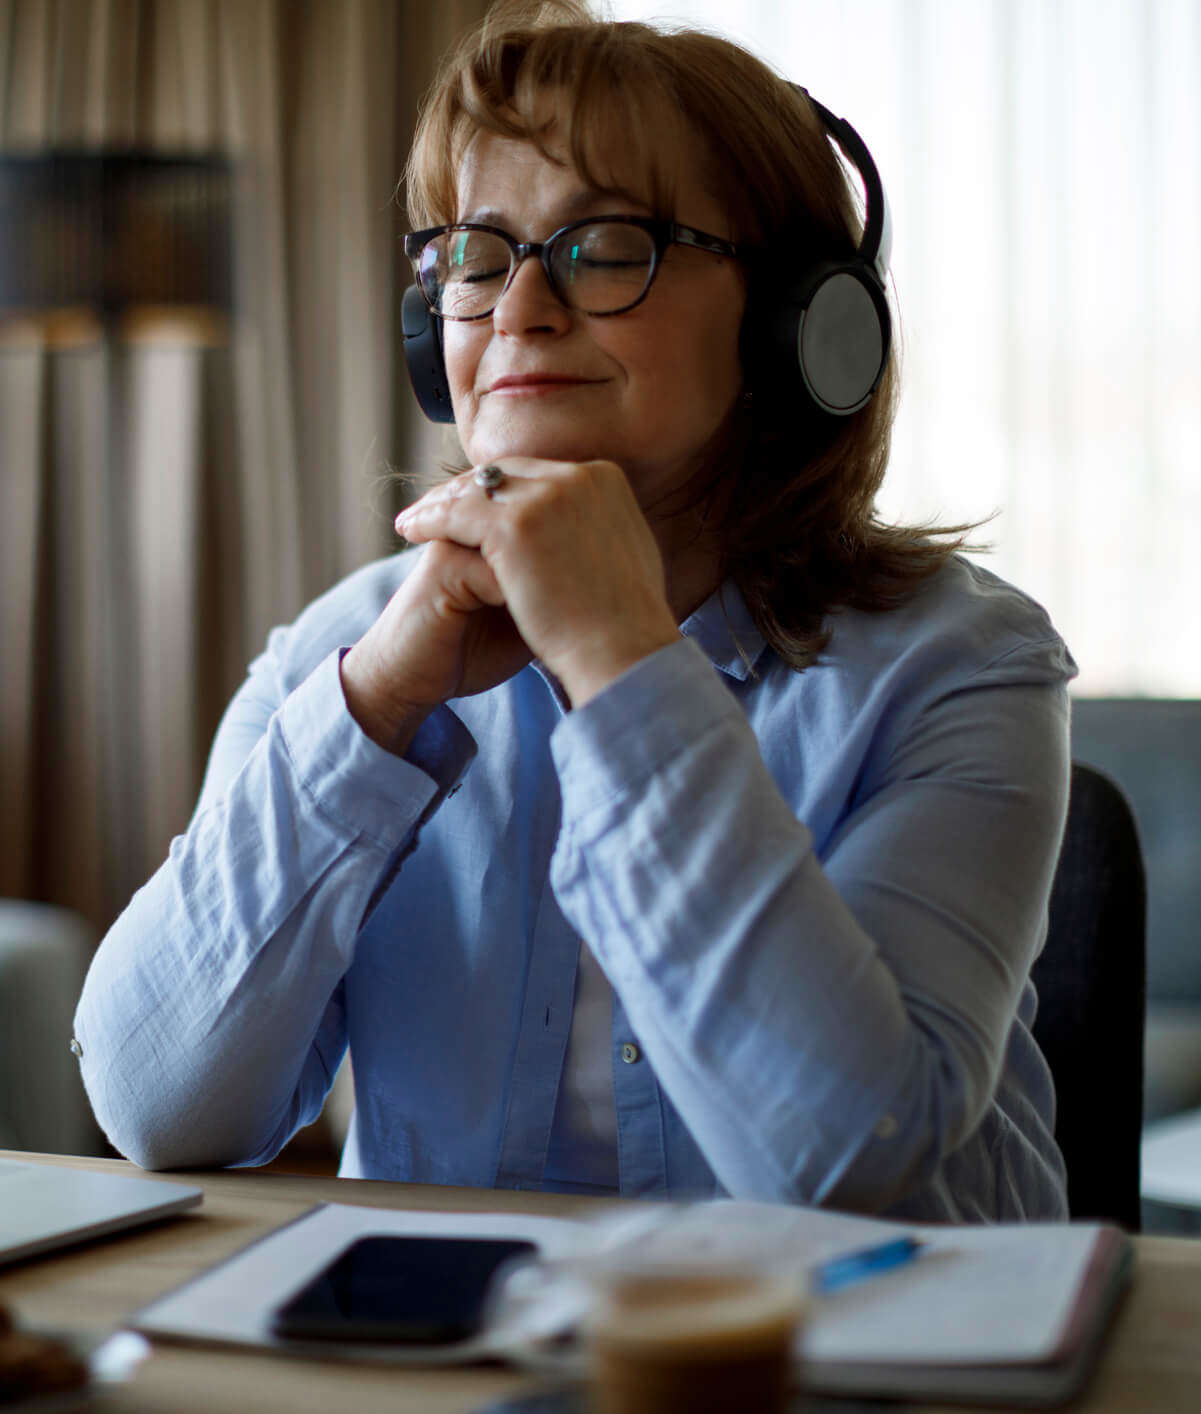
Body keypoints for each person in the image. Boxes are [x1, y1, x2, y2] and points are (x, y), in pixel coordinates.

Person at [72, 1, 1074, 1223]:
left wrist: (622, 661)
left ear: (796, 321)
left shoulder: (965, 668)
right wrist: (377, 700)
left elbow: (843, 1162)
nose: (519, 310)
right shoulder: (340, 655)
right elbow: (155, 1101)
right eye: (476, 256)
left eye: (605, 247)